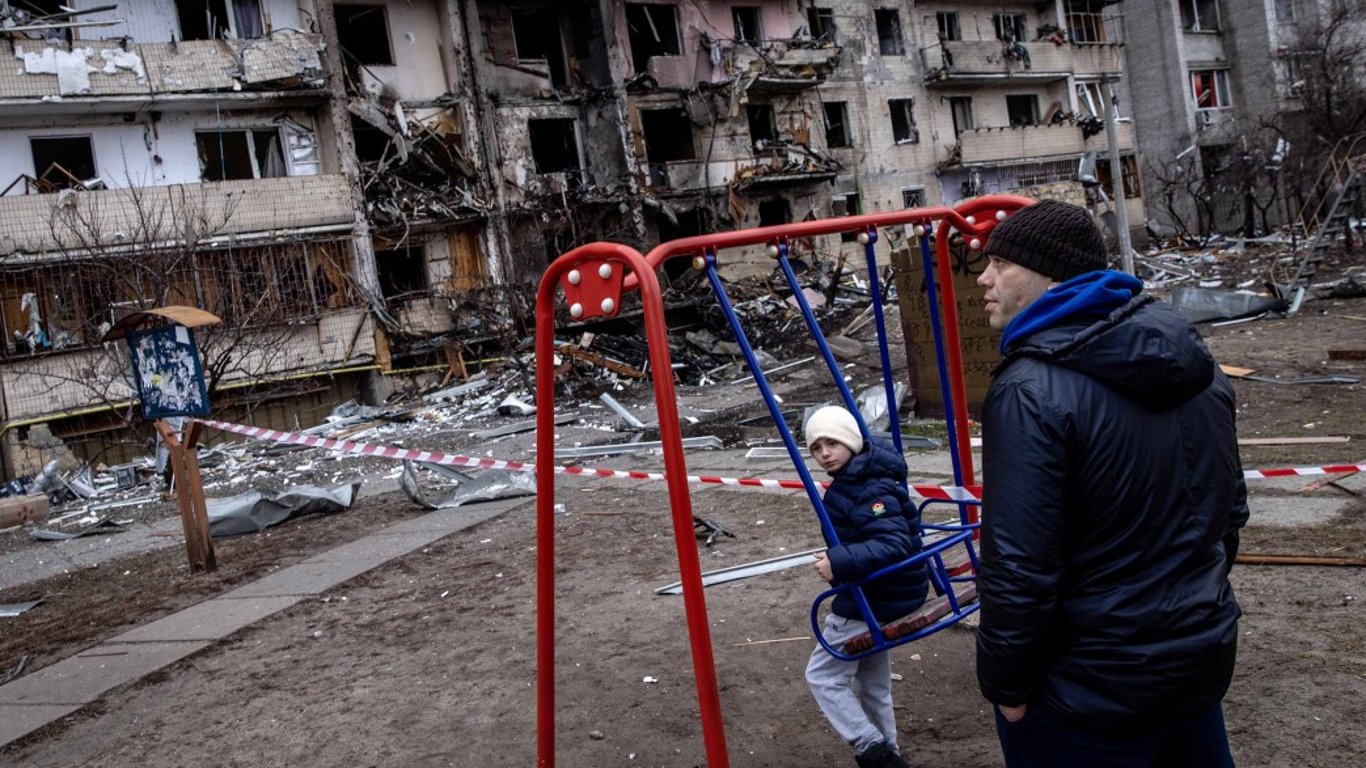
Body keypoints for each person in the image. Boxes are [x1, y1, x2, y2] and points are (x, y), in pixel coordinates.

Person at [973, 200, 1247, 767]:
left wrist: (1007, 685)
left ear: (1050, 276)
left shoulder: (1030, 389)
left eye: (1000, 263)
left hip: (1084, 694)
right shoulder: (1200, 365)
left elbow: (1019, 563)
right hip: (1194, 665)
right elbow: (1229, 516)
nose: (983, 278)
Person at [802, 405, 929, 768]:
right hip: (891, 591)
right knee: (872, 685)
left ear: (852, 441)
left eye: (832, 443)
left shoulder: (868, 488)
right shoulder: (862, 477)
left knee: (823, 676)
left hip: (877, 596)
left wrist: (838, 562)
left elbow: (893, 542)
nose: (825, 453)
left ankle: (872, 747)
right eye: (816, 447)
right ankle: (890, 755)